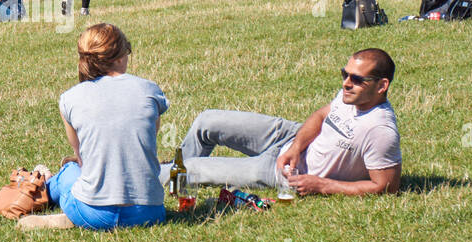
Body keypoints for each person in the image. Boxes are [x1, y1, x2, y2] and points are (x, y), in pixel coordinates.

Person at [166, 49, 402, 196]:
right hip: (290, 139)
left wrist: (321, 185)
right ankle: (172, 181)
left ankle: (140, 179)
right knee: (207, 120)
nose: (346, 83)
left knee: (191, 169)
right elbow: (321, 116)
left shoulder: (380, 130)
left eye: (357, 79)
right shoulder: (352, 95)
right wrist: (296, 147)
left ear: (382, 86)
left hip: (286, 173)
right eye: (345, 74)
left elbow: (386, 187)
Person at [20, 23, 168, 231]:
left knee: (70, 170)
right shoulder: (150, 90)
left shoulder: (69, 98)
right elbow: (148, 139)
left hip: (93, 212)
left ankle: (45, 187)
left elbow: (81, 156)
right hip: (149, 212)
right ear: (118, 57)